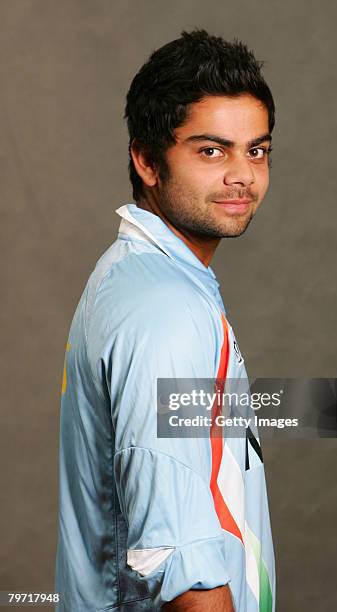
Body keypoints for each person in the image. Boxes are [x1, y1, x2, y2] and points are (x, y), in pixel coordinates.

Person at [55, 29, 276, 611]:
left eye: (256, 149)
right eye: (211, 150)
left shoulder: (139, 277)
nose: (242, 176)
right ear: (147, 160)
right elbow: (182, 565)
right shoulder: (165, 311)